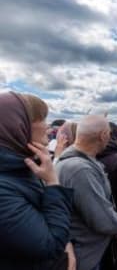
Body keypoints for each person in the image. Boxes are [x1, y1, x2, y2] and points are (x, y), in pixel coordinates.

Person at [0, 92, 74, 270]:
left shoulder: (23, 166)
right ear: (19, 126)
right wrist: (52, 183)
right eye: (42, 119)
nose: (48, 127)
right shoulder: (4, 186)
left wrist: (68, 243)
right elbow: (50, 244)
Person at [56, 115, 117, 270]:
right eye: (108, 133)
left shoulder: (78, 161)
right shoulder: (80, 169)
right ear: (103, 136)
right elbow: (102, 219)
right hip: (87, 255)